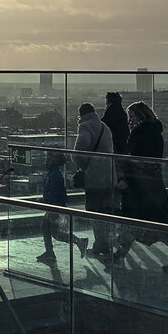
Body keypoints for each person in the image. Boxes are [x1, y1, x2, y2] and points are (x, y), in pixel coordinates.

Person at [110, 101, 168, 271]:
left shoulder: (139, 134)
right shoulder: (153, 132)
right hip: (151, 185)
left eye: (132, 116)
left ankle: (118, 256)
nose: (129, 121)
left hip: (138, 186)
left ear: (141, 116)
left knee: (132, 220)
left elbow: (134, 160)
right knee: (157, 222)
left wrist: (125, 177)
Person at [74, 102, 116, 257]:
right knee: (106, 211)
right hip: (109, 175)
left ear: (81, 114)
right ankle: (107, 243)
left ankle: (100, 245)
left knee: (94, 210)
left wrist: (79, 164)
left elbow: (79, 150)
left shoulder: (85, 127)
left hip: (95, 176)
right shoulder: (104, 127)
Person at [37, 152, 89, 264]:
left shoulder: (55, 175)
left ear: (55, 162)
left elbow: (55, 193)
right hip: (52, 206)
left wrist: (47, 201)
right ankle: (50, 252)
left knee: (57, 234)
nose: (46, 162)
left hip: (55, 207)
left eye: (49, 159)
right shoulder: (52, 173)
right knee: (45, 228)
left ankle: (79, 242)